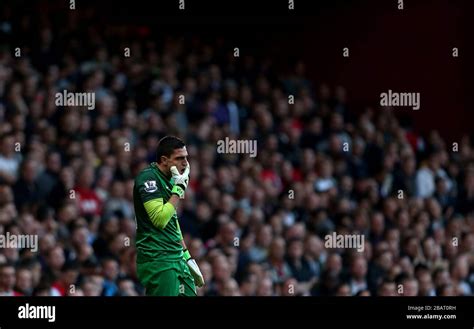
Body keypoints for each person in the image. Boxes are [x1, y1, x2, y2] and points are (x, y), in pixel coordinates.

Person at [133, 136, 204, 296]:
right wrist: (178, 190)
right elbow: (160, 219)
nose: (185, 163)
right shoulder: (148, 179)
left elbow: (172, 221)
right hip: (158, 258)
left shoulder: (171, 180)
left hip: (176, 257)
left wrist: (187, 255)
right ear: (164, 160)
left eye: (186, 157)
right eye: (179, 158)